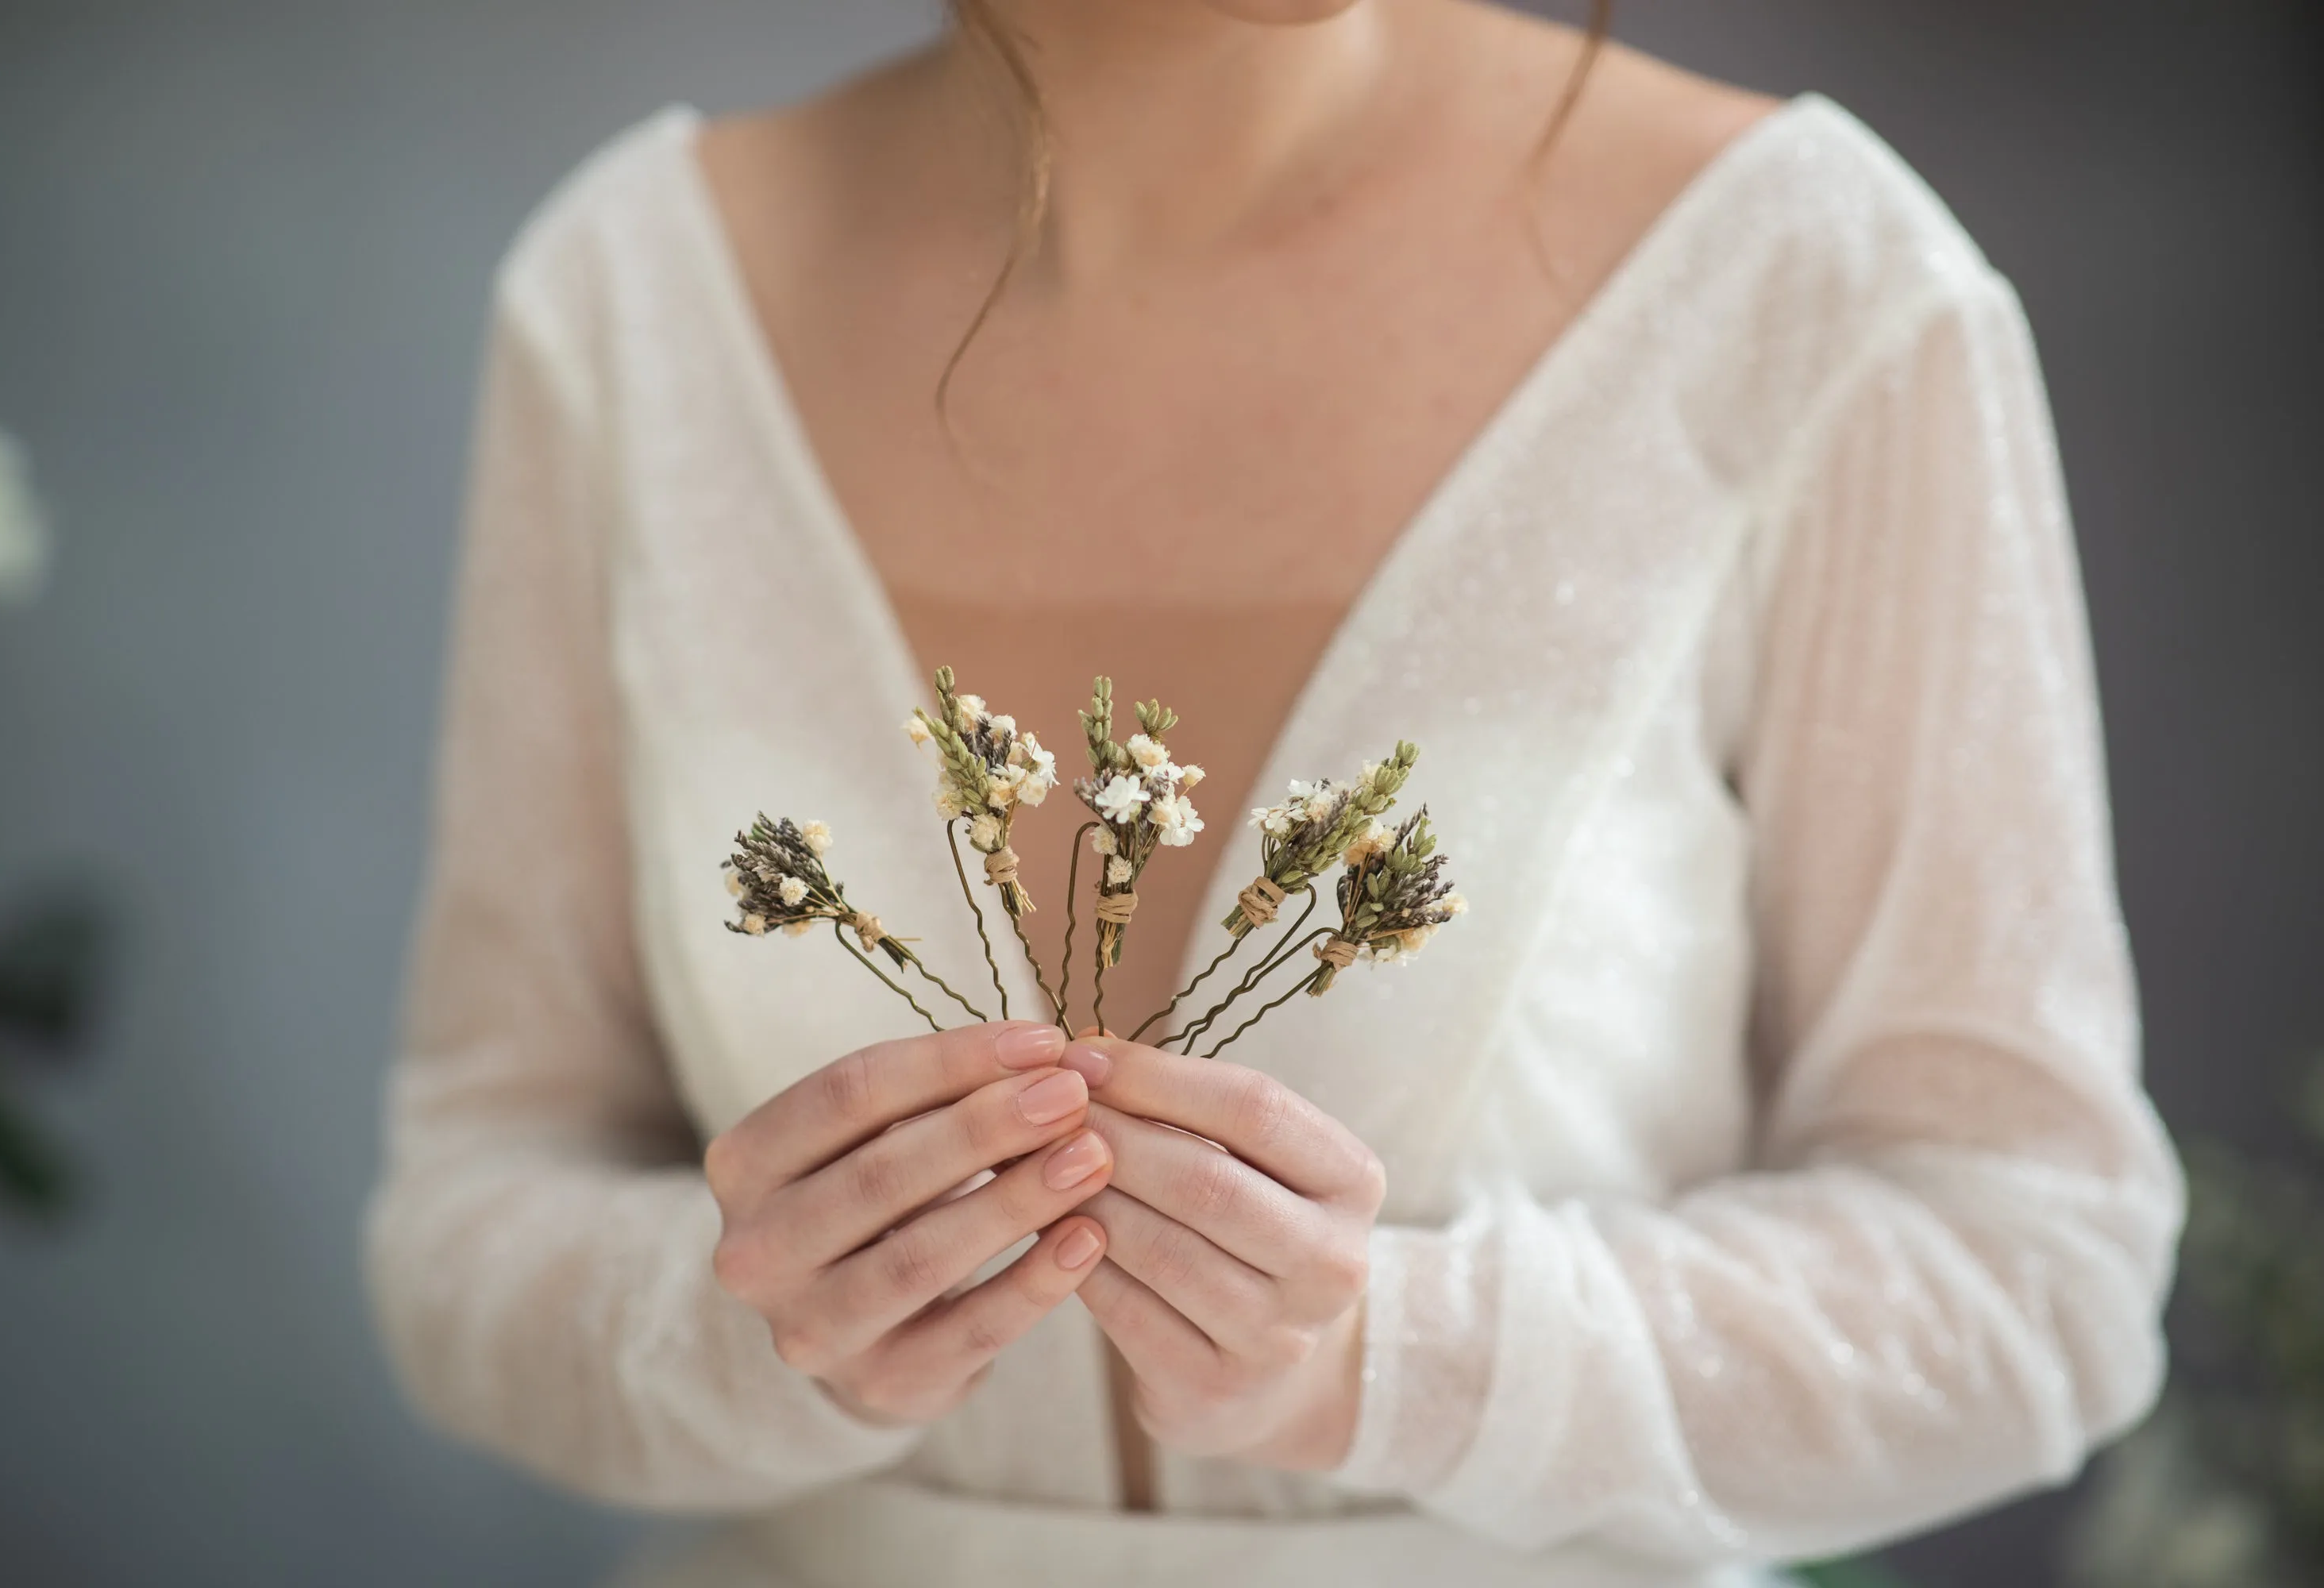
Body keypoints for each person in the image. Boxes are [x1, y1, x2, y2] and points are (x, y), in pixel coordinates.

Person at [362, 2, 2185, 1584]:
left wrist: (1399, 1357)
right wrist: (746, 1330)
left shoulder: (1811, 286)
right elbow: (468, 1209)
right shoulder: (631, 304)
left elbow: (2037, 1272)